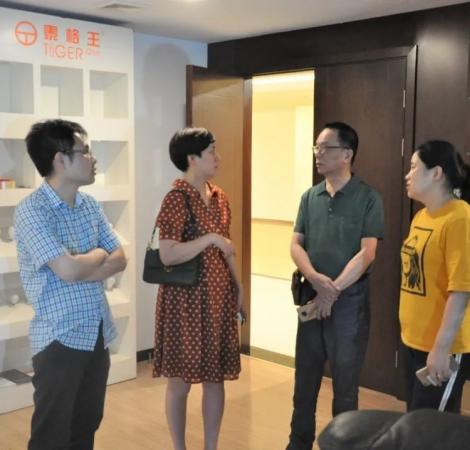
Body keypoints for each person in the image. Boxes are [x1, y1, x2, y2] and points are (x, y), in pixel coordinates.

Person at [14, 119, 127, 450]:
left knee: (86, 426)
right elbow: (66, 269)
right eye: (85, 151)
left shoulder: (89, 205)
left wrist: (81, 264)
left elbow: (120, 258)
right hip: (59, 336)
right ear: (60, 159)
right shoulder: (32, 211)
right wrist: (96, 256)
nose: (93, 158)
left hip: (96, 331)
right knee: (51, 435)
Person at [287, 121, 384, 450]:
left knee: (345, 386)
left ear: (347, 154)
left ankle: (343, 445)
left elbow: (367, 253)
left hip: (349, 301)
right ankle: (298, 443)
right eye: (316, 147)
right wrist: (315, 279)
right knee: (305, 380)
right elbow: (296, 244)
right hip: (312, 295)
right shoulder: (309, 196)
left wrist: (333, 291)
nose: (318, 153)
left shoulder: (368, 197)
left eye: (325, 147)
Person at [153, 127, 243, 450]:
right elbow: (168, 254)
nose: (218, 157)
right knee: (180, 383)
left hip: (218, 300)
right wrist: (210, 239)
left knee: (215, 379)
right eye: (211, 152)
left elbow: (227, 249)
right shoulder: (176, 199)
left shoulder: (219, 197)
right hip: (184, 304)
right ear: (192, 158)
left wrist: (239, 289)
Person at [400, 140, 470, 412]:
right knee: (416, 421)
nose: (407, 175)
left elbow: (461, 290)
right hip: (413, 340)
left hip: (442, 346)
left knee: (431, 428)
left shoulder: (460, 218)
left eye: (414, 167)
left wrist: (441, 349)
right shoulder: (421, 216)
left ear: (437, 173)